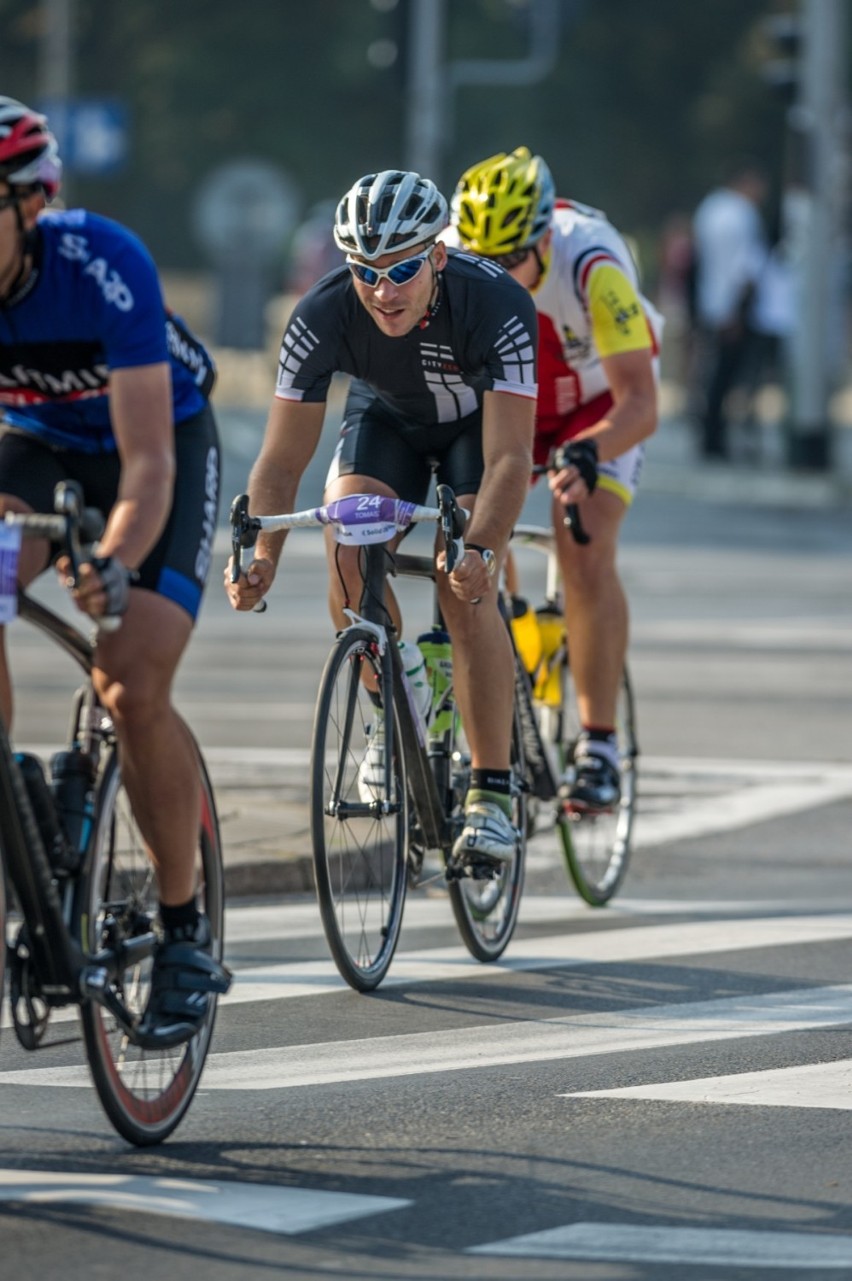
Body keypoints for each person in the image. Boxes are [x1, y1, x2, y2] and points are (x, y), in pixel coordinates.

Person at [225, 169, 538, 865]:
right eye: (365, 271)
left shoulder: (497, 303)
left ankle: (491, 790)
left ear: (436, 255)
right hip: (387, 422)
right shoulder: (322, 312)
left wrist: (482, 547)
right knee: (346, 545)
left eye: (400, 269)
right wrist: (263, 558)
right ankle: (387, 710)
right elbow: (280, 463)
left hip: (475, 433)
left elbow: (513, 457)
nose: (382, 291)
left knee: (462, 587)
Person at [0, 96, 231, 1040]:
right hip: (38, 446)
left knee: (130, 681)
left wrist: (111, 562)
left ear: (27, 206)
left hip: (156, 445)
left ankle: (182, 930)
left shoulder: (101, 264)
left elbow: (147, 467)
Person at [448, 147, 661, 811]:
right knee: (474, 538)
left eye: (512, 260)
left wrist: (591, 451)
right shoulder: (450, 256)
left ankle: (598, 742)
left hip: (600, 407)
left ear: (544, 238)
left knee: (585, 546)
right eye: (482, 262)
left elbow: (641, 403)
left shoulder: (594, 264)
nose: (497, 277)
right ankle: (502, 671)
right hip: (516, 405)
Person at [691, 162, 768, 459]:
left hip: (712, 304)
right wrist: (739, 309)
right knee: (730, 377)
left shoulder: (710, 208)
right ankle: (719, 437)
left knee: (713, 375)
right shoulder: (742, 213)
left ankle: (709, 434)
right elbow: (746, 268)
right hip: (735, 307)